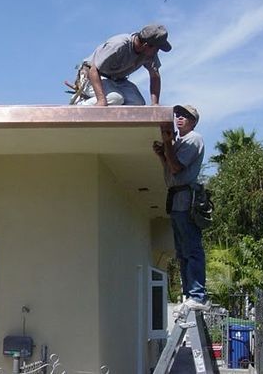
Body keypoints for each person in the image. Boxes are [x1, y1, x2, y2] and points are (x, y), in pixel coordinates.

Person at [152, 104, 209, 310]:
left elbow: (176, 167)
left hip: (186, 198)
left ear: (193, 121)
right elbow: (169, 168)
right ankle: (189, 294)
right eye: (178, 115)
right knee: (182, 250)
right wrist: (163, 153)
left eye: (186, 116)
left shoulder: (194, 139)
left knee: (192, 248)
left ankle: (197, 294)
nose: (180, 118)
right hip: (177, 198)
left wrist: (168, 144)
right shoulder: (180, 142)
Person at [76, 24, 171, 106]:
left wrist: (155, 103)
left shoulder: (150, 53)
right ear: (146, 45)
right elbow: (94, 70)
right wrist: (101, 99)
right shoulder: (118, 45)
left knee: (137, 103)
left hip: (118, 80)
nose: (157, 51)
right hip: (92, 75)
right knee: (115, 98)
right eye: (157, 48)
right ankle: (79, 107)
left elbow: (155, 76)